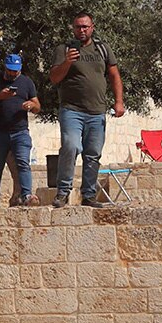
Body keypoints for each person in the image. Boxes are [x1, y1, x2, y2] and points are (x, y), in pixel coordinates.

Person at [49, 11, 124, 208]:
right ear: (73, 29)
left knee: (93, 153)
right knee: (71, 146)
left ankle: (89, 195)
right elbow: (55, 78)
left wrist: (119, 102)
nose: (81, 30)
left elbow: (115, 76)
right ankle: (63, 192)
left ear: (92, 27)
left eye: (85, 26)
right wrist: (67, 62)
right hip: (71, 110)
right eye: (78, 27)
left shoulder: (102, 49)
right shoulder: (63, 49)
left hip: (97, 111)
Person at [0, 54, 40, 207]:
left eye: (16, 71)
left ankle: (27, 195)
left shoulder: (26, 82)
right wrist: (0, 96)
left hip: (20, 131)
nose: (13, 73)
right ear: (5, 67)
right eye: (11, 70)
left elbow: (38, 106)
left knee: (23, 162)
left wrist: (31, 106)